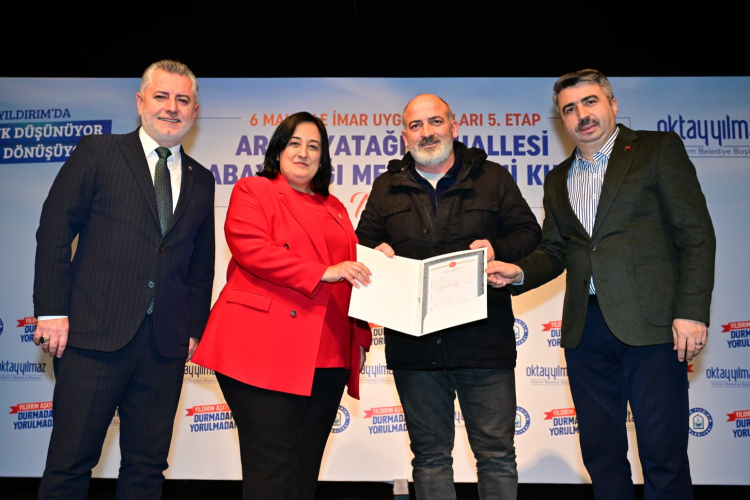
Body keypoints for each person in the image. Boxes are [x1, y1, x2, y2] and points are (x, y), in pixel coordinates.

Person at [486, 69, 716, 500]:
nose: (582, 115)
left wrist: (691, 311)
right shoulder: (557, 179)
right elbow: (555, 250)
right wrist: (518, 271)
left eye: (590, 102)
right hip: (585, 331)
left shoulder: (656, 150)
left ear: (612, 104)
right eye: (569, 109)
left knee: (663, 454)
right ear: (562, 119)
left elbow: (696, 235)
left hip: (654, 328)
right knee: (601, 454)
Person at [32, 59, 215, 499]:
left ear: (194, 111)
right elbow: (55, 229)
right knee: (70, 464)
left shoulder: (202, 179)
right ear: (140, 102)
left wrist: (193, 329)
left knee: (147, 470)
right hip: (93, 338)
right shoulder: (99, 152)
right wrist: (52, 311)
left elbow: (200, 263)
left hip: (164, 347)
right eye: (161, 96)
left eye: (182, 100)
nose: (171, 108)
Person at [355, 94, 542, 500]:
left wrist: (496, 249)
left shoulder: (492, 178)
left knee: (496, 456)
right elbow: (361, 245)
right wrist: (375, 253)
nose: (427, 132)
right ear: (404, 135)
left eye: (435, 122)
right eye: (416, 125)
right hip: (414, 347)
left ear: (454, 127)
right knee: (429, 458)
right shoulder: (386, 186)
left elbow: (529, 234)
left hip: (484, 342)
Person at [191, 111, 373, 500]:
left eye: (314, 146)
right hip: (262, 348)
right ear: (278, 150)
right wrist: (323, 272)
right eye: (295, 143)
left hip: (328, 354)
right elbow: (253, 249)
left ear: (323, 158)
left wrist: (376, 275)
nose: (304, 153)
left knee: (304, 471)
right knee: (271, 467)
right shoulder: (253, 190)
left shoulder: (335, 207)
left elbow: (353, 268)